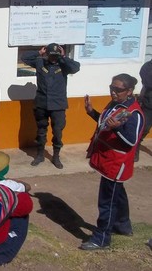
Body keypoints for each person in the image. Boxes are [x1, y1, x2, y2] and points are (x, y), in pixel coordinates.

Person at [80, 73, 144, 251]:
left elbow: (131, 141)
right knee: (118, 194)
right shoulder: (116, 105)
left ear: (129, 91)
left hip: (116, 164)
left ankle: (102, 238)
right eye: (111, 88)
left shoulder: (134, 114)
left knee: (107, 202)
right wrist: (92, 112)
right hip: (107, 161)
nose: (113, 92)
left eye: (118, 89)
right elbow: (106, 124)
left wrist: (117, 130)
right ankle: (123, 226)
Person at [21, 43, 80, 169]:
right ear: (47, 54)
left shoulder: (64, 66)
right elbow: (24, 58)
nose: (53, 58)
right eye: (51, 55)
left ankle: (56, 156)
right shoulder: (40, 63)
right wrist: (39, 53)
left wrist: (63, 57)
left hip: (58, 105)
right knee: (41, 132)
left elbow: (76, 68)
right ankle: (40, 155)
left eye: (55, 55)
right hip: (41, 104)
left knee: (57, 133)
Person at [136, 59, 152, 161]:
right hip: (148, 105)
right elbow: (148, 82)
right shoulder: (147, 67)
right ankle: (135, 150)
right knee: (143, 129)